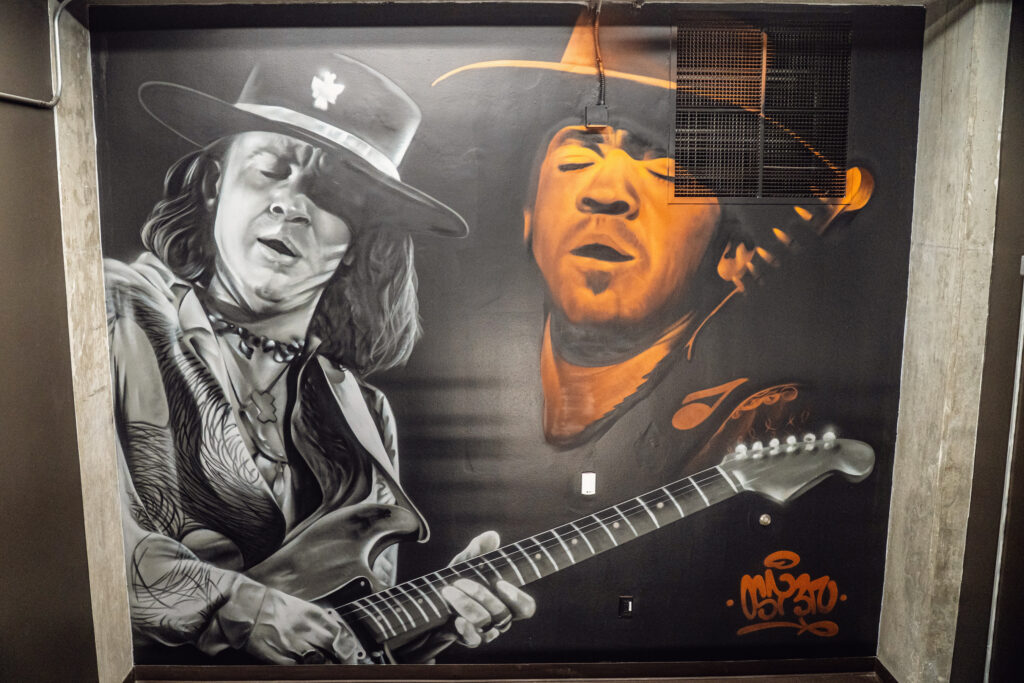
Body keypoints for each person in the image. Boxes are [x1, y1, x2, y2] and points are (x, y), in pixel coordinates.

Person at [106, 53, 534, 665]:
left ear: (361, 241)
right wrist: (245, 609)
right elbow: (72, 538)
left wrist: (436, 619)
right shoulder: (115, 313)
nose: (290, 203)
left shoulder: (364, 414)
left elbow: (350, 640)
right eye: (269, 170)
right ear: (214, 186)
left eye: (332, 194)